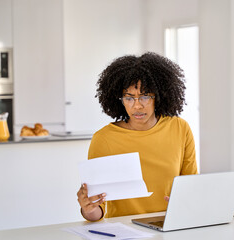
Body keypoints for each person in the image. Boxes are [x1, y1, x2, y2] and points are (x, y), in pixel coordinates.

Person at [77, 52, 198, 221]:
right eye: (129, 98)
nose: (137, 105)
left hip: (171, 224)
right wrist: (88, 209)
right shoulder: (104, 139)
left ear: (159, 95)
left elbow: (191, 186)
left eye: (145, 96)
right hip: (125, 231)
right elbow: (97, 211)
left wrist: (185, 203)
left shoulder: (180, 128)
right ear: (120, 100)